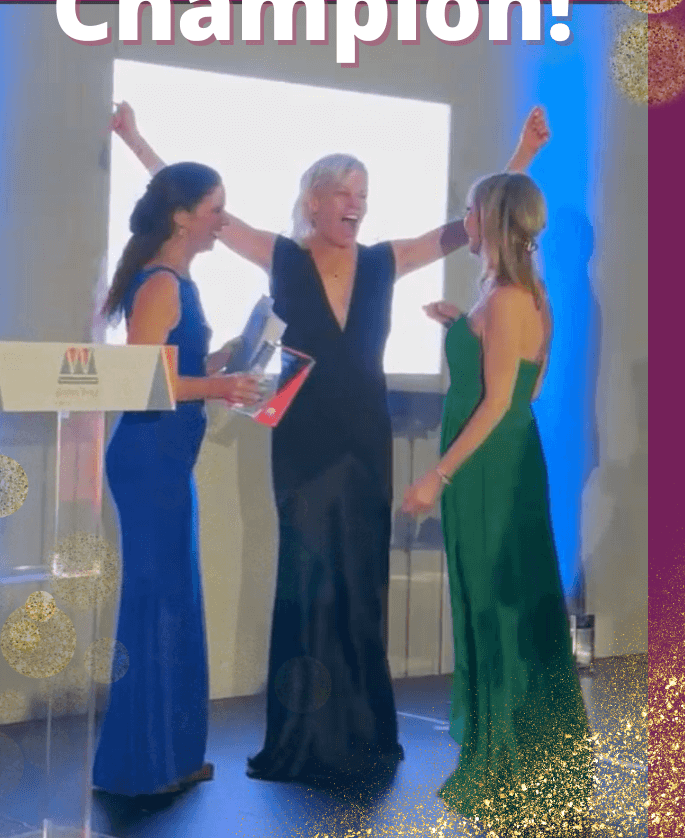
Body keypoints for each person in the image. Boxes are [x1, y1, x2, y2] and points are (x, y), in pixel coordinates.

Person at [109, 101, 550, 787]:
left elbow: (464, 226)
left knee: (362, 586)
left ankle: (365, 733)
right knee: (310, 583)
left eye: (364, 195)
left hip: (366, 443)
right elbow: (194, 208)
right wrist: (137, 140)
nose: (357, 206)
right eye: (345, 193)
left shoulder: (381, 262)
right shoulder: (280, 256)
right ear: (312, 201)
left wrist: (521, 156)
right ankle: (302, 738)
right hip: (304, 447)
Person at [402, 172, 594, 833]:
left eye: (471, 210)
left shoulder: (514, 296)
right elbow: (524, 386)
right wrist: (466, 325)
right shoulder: (511, 293)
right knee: (493, 606)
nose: (464, 219)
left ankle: (512, 762)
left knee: (499, 611)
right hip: (500, 462)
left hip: (490, 469)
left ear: (493, 218)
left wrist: (439, 476)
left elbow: (504, 401)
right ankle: (515, 751)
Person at [92, 163, 262, 797]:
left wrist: (228, 359)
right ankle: (142, 765)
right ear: (183, 216)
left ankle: (168, 756)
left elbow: (178, 366)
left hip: (166, 459)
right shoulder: (161, 284)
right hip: (149, 460)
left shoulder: (175, 280)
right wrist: (218, 385)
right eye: (216, 210)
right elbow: (142, 381)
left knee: (173, 603)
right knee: (157, 605)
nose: (223, 222)